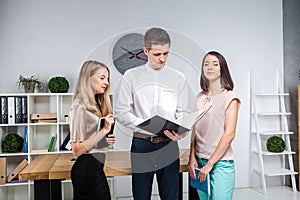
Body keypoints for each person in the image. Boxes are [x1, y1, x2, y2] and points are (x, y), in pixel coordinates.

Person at [115, 27, 193, 200]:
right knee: (141, 195)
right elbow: (121, 112)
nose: (162, 59)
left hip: (169, 145)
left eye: (166, 53)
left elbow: (184, 112)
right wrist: (149, 126)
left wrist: (181, 131)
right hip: (142, 145)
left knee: (171, 196)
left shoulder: (178, 77)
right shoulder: (131, 76)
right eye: (157, 54)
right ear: (145, 51)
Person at [188, 51, 241, 200]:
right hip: (199, 161)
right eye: (206, 64)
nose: (209, 67)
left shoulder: (230, 96)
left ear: (222, 69)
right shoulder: (199, 97)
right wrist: (191, 157)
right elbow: (195, 129)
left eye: (215, 64)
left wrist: (210, 164)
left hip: (221, 163)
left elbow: (229, 134)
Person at [69, 60, 116, 200]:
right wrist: (103, 131)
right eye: (102, 78)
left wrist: (106, 139)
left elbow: (91, 140)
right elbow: (77, 150)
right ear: (87, 78)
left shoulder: (95, 105)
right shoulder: (79, 107)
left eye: (107, 78)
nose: (107, 82)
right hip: (86, 172)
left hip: (96, 169)